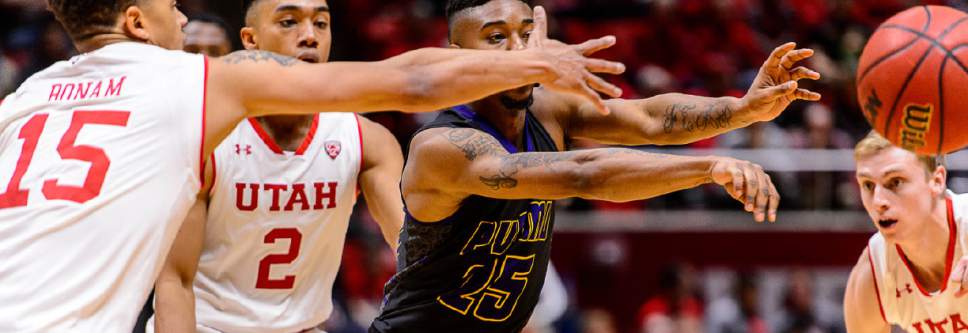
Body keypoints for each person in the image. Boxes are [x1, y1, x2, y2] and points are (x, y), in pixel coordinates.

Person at [0, 0, 625, 330]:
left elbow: (414, 248)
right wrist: (530, 63)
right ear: (137, 22)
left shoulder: (24, 99)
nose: (187, 21)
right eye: (172, 7)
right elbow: (408, 80)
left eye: (320, 21)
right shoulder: (191, 81)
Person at [370, 0, 822, 331]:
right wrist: (707, 167)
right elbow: (581, 172)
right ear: (455, 55)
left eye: (527, 34)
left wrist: (743, 110)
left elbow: (648, 117)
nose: (519, 51)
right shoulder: (442, 146)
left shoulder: (548, 109)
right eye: (496, 38)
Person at [151, 0, 404, 331]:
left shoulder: (367, 141)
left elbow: (410, 250)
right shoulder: (207, 139)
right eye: (289, 22)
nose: (309, 36)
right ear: (251, 41)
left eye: (321, 24)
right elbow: (174, 281)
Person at [844, 132, 968, 333]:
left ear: (937, 180)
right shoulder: (872, 274)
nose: (878, 201)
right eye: (868, 185)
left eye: (895, 182)